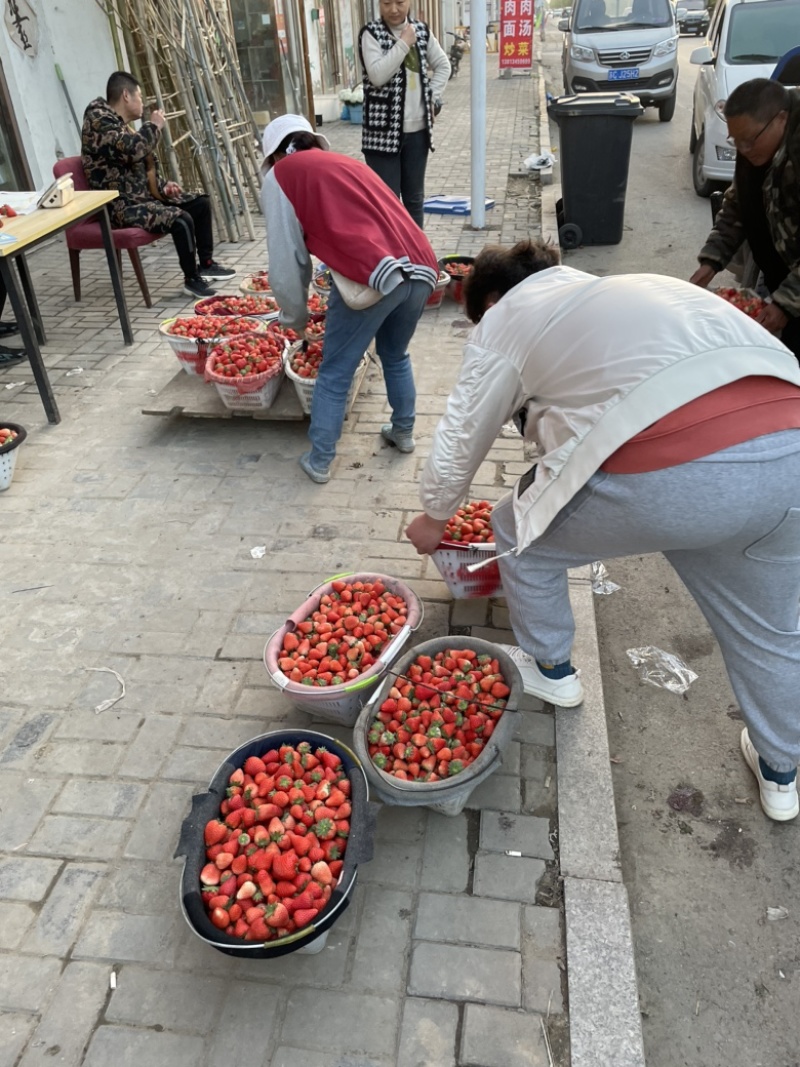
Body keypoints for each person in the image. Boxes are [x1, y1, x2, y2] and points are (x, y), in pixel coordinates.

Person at [406, 238, 800, 822]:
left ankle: (554, 672)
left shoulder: (507, 317)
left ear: (489, 299)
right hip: (789, 452)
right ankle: (782, 774)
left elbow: (463, 432)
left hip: (676, 468)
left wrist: (435, 516)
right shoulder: (631, 289)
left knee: (517, 532)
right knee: (768, 629)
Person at [260, 114, 439, 484]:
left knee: (336, 369)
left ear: (273, 156)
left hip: (374, 274)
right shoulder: (345, 163)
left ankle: (320, 459)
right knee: (395, 353)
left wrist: (293, 318)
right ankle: (403, 432)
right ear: (313, 141)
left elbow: (286, 261)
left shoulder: (282, 176)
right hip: (422, 266)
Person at [81, 71, 235, 300]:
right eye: (139, 97)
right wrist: (153, 126)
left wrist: (162, 187)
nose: (142, 103)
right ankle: (192, 280)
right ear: (126, 95)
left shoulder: (119, 125)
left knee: (200, 203)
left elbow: (139, 165)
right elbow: (134, 149)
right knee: (181, 219)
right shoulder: (99, 121)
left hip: (140, 197)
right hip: (119, 205)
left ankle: (206, 263)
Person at [691, 79, 800, 361]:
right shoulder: (751, 144)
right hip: (781, 275)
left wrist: (787, 304)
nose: (743, 149)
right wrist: (711, 260)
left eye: (749, 140)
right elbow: (739, 202)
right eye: (735, 141)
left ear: (782, 119)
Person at [358, 0, 450, 229]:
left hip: (418, 132)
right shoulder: (371, 34)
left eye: (399, 2)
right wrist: (403, 43)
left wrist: (432, 97)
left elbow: (443, 66)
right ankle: (392, 260)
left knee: (414, 200)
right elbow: (378, 76)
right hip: (381, 135)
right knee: (387, 203)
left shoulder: (421, 30)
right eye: (387, 3)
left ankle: (417, 259)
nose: (394, 9)